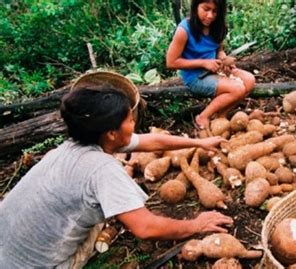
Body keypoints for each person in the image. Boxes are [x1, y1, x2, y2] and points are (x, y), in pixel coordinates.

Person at [0, 71, 233, 268]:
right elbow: (145, 228)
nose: (133, 123)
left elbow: (149, 141)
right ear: (112, 133)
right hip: (36, 265)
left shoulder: (78, 142)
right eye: (129, 119)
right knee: (103, 216)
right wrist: (197, 224)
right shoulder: (102, 169)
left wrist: (198, 143)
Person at [166, 0, 255, 130]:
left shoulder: (217, 26)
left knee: (249, 80)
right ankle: (203, 116)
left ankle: (221, 115)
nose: (210, 16)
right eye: (206, 9)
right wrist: (204, 63)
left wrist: (224, 60)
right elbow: (171, 62)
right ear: (195, 6)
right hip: (195, 77)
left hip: (215, 70)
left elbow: (219, 50)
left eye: (215, 11)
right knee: (237, 89)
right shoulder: (184, 30)